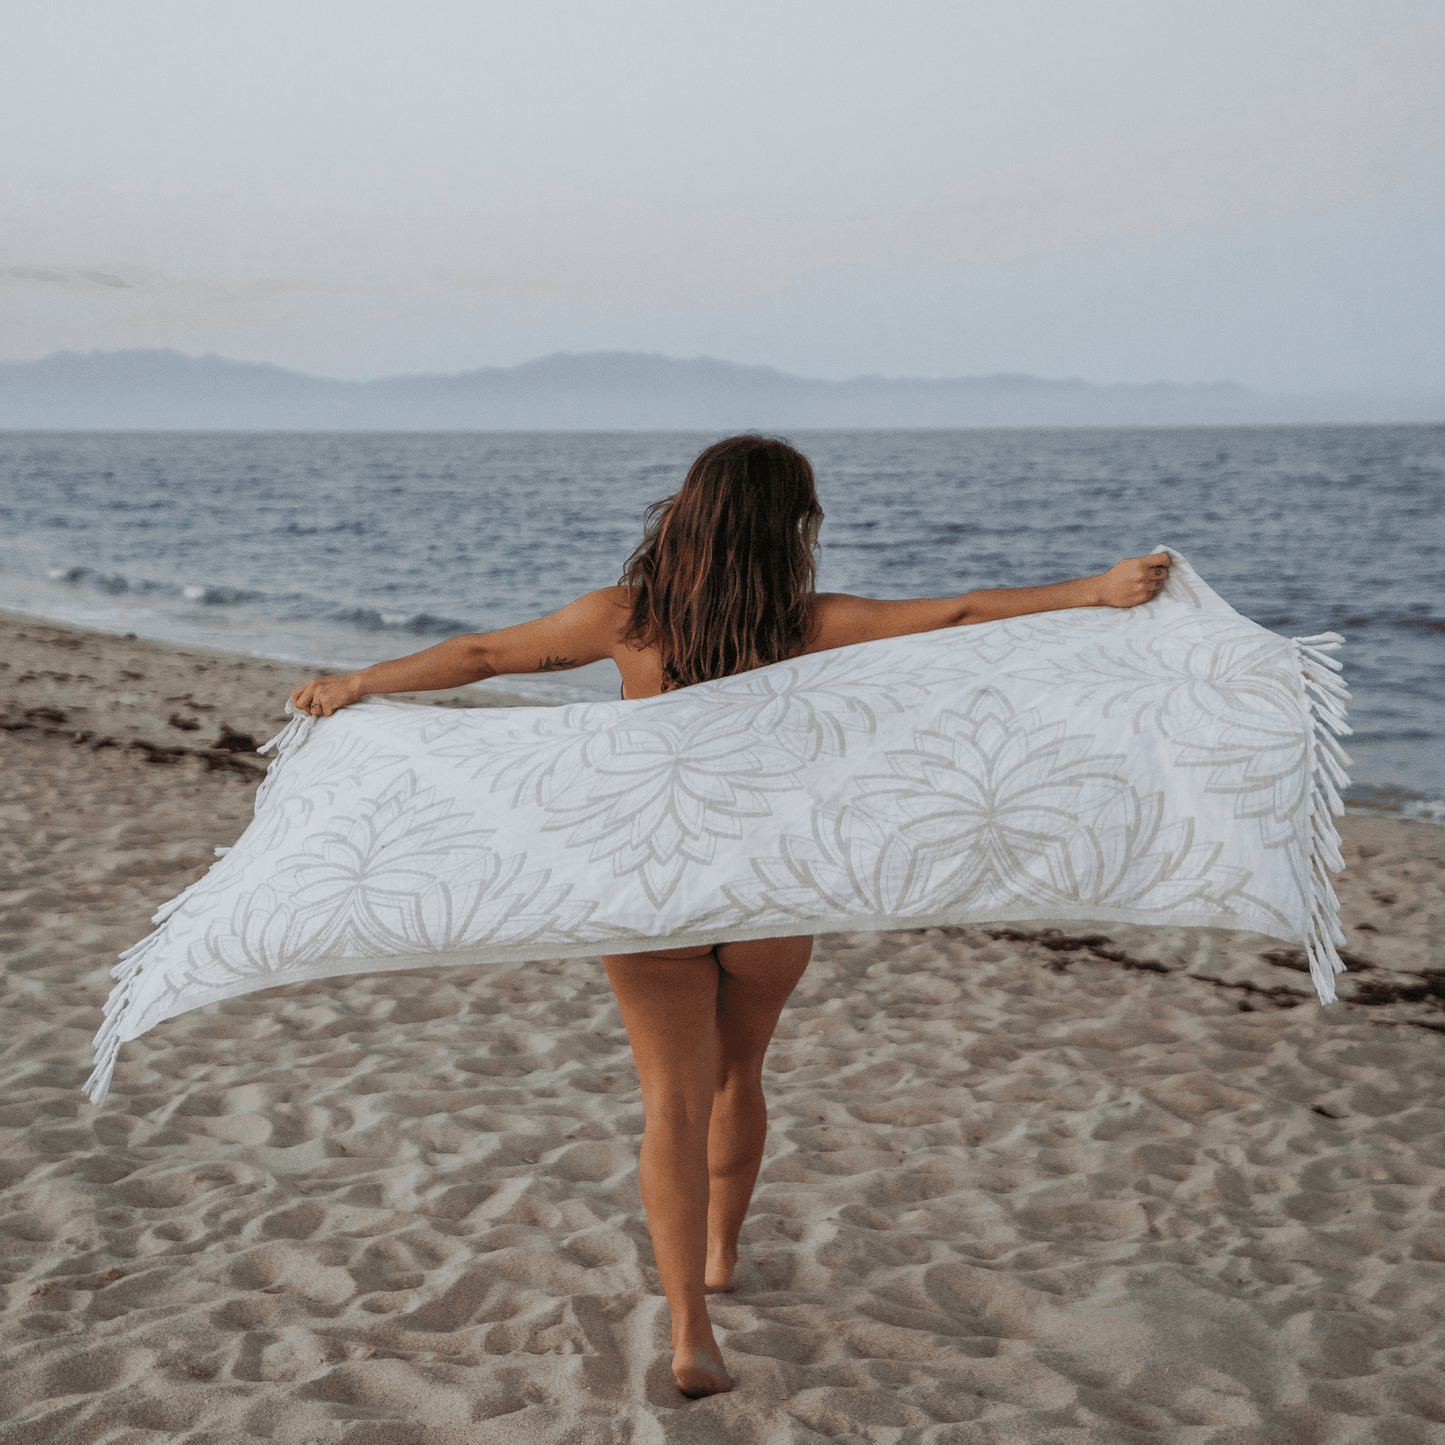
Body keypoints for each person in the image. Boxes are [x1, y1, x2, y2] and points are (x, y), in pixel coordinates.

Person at [290, 435, 1169, 1399]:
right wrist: (1100, 586)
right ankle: (718, 1252)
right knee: (740, 1072)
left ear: (688, 510)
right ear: (790, 526)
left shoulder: (624, 618)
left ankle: (691, 1332)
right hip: (763, 888)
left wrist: (357, 682)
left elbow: (481, 655)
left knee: (668, 1102)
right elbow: (963, 612)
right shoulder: (808, 622)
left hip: (653, 887)